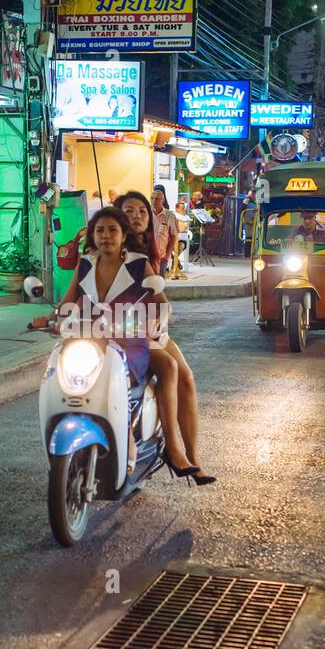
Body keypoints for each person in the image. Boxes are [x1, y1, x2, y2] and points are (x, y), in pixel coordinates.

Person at [47, 206, 208, 484]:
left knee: (168, 366)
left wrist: (156, 319)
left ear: (123, 235)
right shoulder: (85, 262)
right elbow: (69, 302)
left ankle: (174, 447)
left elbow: (160, 302)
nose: (105, 236)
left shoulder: (137, 263)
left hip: (130, 338)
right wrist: (52, 319)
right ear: (92, 235)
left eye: (112, 230)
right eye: (99, 230)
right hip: (91, 337)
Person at [115, 192, 214, 483]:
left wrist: (157, 319)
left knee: (187, 377)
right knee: (168, 368)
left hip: (146, 330)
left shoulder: (144, 255)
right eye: (129, 211)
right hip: (116, 333)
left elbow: (160, 301)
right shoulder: (104, 248)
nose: (136, 216)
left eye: (142, 212)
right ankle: (173, 449)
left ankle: (192, 458)